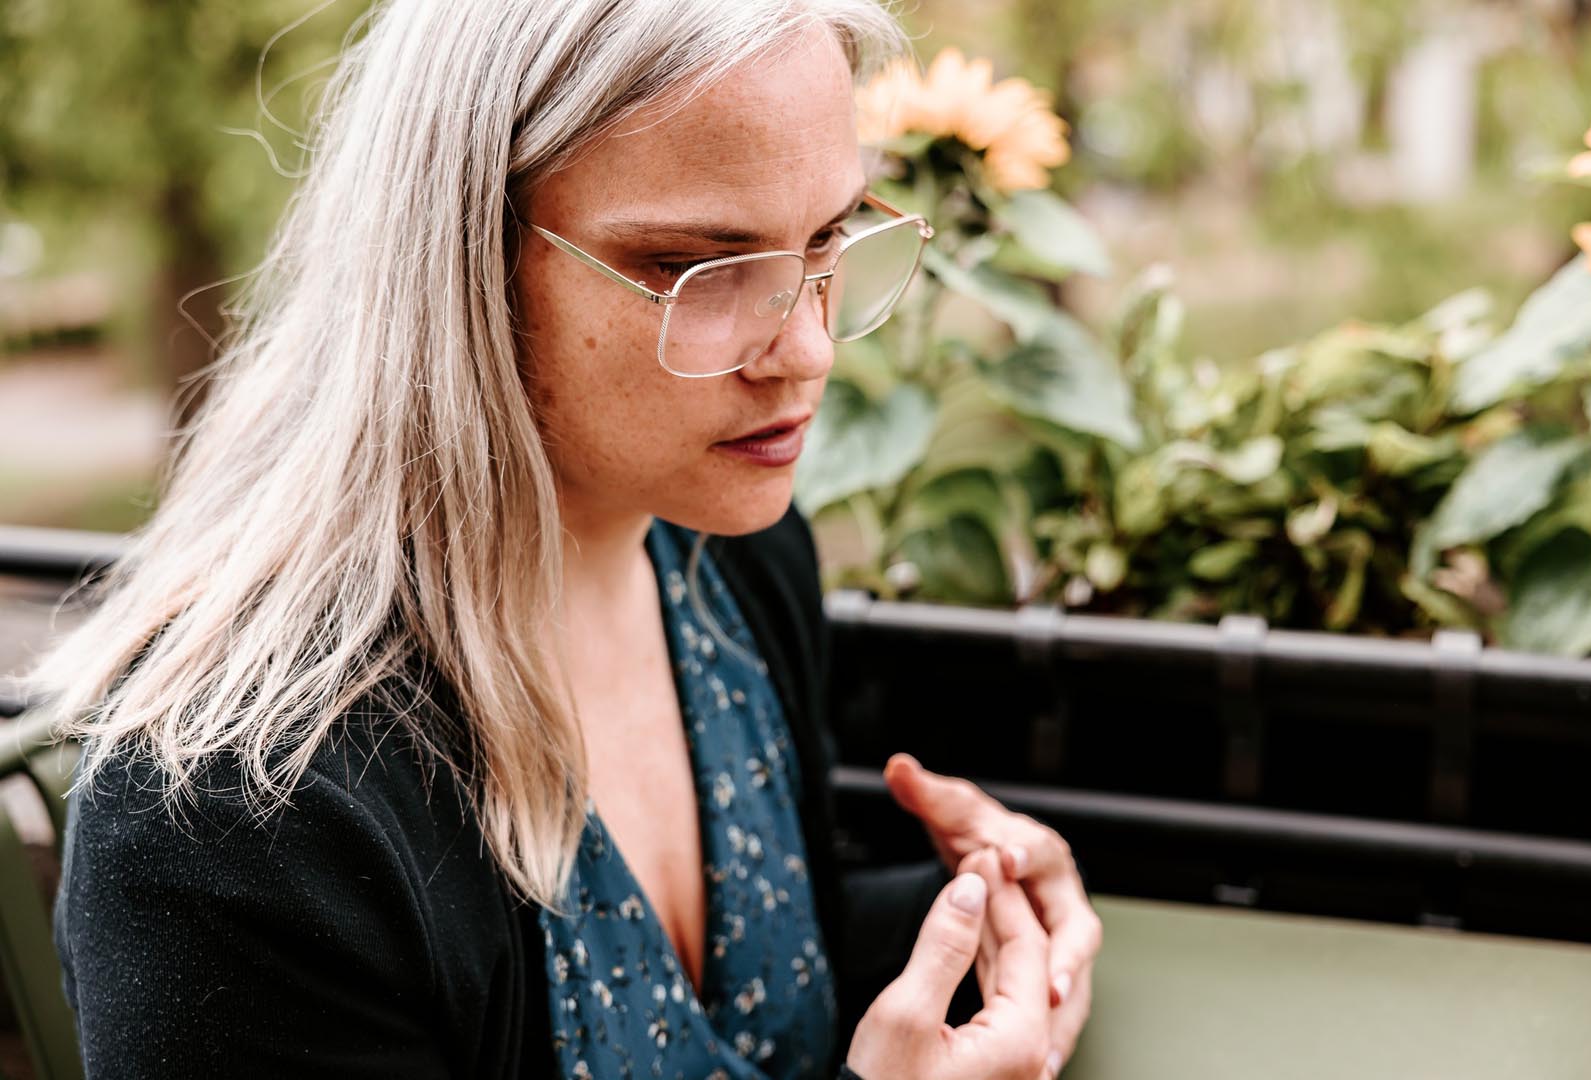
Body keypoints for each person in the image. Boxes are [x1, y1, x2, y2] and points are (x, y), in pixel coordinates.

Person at [25, 1, 1101, 1077]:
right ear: (463, 261)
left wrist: (975, 921)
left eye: (827, 237)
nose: (808, 349)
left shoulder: (732, 563)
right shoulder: (235, 818)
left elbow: (734, 1003)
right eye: (698, 266)